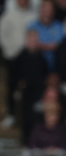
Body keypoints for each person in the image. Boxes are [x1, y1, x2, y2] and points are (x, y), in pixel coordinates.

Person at [0, 0, 36, 129]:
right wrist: (10, 51)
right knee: (11, 87)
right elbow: (2, 36)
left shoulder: (33, 15)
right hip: (13, 58)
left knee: (28, 89)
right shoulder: (9, 16)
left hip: (30, 57)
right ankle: (10, 115)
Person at [28, 0, 64, 71]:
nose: (47, 13)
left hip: (56, 68)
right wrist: (49, 46)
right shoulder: (32, 26)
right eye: (44, 9)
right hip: (36, 68)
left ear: (53, 11)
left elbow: (58, 46)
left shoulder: (59, 26)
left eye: (49, 10)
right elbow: (31, 47)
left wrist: (40, 46)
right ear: (40, 10)